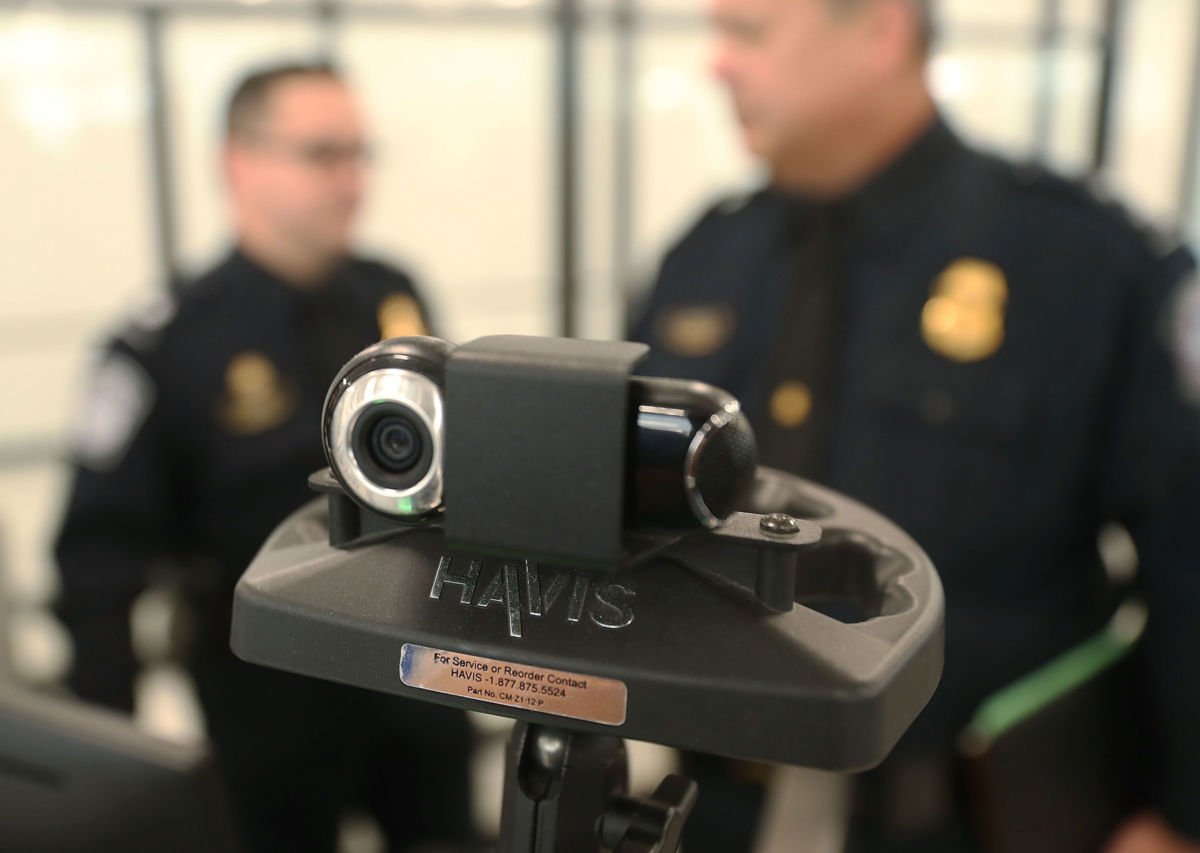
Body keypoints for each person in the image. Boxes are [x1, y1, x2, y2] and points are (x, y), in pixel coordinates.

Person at [629, 1, 1200, 851]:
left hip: (964, 822)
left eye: (747, 32)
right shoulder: (705, 259)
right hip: (715, 811)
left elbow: (1190, 551)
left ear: (881, 32)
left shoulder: (1078, 262)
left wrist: (1182, 815)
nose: (717, 64)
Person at [54, 62, 473, 851]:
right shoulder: (169, 341)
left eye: (359, 153)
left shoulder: (394, 299)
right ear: (238, 161)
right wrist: (105, 758)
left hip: (413, 667)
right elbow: (99, 560)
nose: (353, 181)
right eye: (322, 154)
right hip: (267, 696)